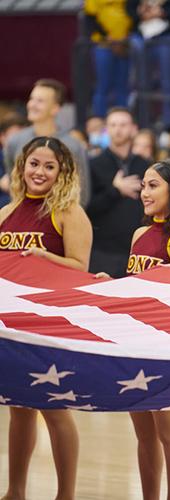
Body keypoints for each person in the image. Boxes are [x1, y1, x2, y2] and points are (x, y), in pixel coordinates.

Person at [98, 159, 170, 500]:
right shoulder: (140, 234)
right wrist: (111, 285)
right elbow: (135, 290)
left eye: (153, 185)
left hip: (167, 346)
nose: (145, 192)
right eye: (144, 185)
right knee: (143, 435)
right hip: (136, 343)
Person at [0, 136, 92, 500]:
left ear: (62, 172)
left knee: (54, 409)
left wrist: (43, 258)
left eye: (49, 166)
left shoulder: (69, 212)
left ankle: (65, 494)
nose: (40, 172)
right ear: (22, 166)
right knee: (18, 410)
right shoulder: (7, 212)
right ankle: (16, 490)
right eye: (34, 164)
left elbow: (80, 270)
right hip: (14, 325)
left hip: (52, 326)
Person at [3, 79, 90, 206]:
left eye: (40, 101)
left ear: (55, 108)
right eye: (31, 99)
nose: (32, 104)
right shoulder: (14, 142)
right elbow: (14, 186)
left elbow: (82, 193)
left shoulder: (73, 146)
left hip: (61, 219)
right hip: (24, 221)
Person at [86, 107, 149, 278]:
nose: (118, 129)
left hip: (138, 250)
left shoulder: (145, 165)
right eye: (112, 125)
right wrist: (115, 190)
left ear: (133, 128)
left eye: (123, 124)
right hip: (103, 251)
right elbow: (86, 207)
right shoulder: (93, 164)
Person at [127, 0, 170, 127]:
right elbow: (129, 9)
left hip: (166, 36)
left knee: (168, 82)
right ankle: (143, 121)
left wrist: (161, 12)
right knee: (141, 82)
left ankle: (169, 122)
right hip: (140, 35)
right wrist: (141, 12)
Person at [84, 0, 132, 117]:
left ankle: (122, 119)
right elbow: (90, 19)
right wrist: (107, 36)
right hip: (103, 45)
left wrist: (125, 37)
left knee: (122, 86)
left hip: (124, 45)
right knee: (102, 85)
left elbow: (132, 12)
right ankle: (100, 120)